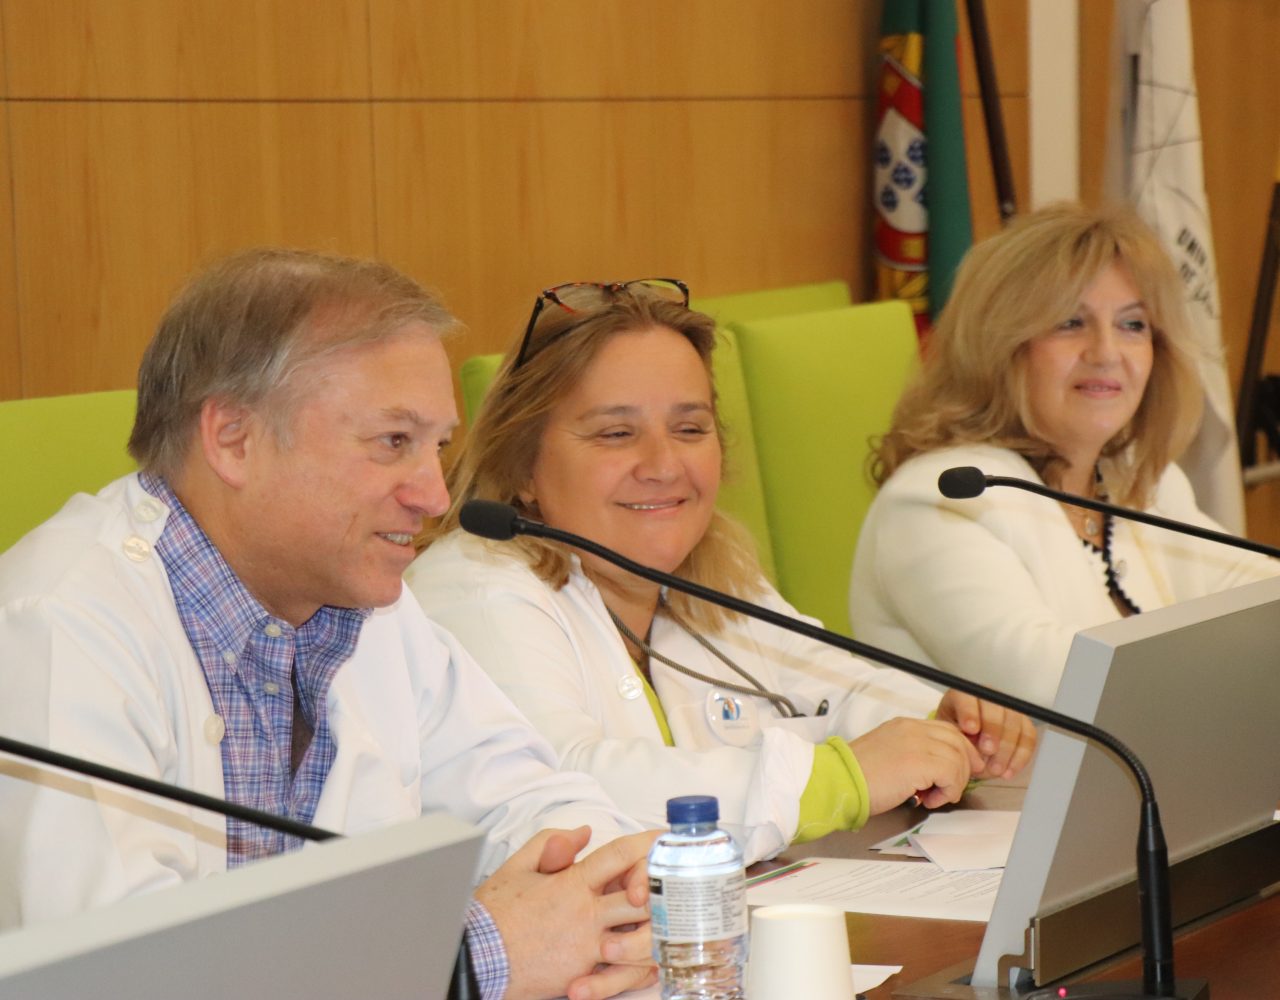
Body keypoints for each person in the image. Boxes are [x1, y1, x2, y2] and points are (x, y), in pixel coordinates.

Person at [0, 249, 659, 1000]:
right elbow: (118, 980)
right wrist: (472, 959)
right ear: (233, 439)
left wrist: (617, 892)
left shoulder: (364, 599)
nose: (434, 496)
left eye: (438, 447)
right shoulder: (56, 629)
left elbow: (524, 799)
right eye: (393, 442)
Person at [406, 279, 1037, 866]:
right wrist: (838, 779)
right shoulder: (474, 588)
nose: (663, 465)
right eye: (616, 433)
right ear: (521, 466)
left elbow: (839, 688)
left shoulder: (711, 575)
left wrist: (942, 726)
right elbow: (561, 787)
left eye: (690, 428)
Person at [852, 203, 1280, 706]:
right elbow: (1065, 687)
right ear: (1001, 344)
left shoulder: (1140, 480)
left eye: (1133, 324)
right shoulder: (942, 500)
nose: (1106, 352)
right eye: (1071, 322)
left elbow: (1260, 601)